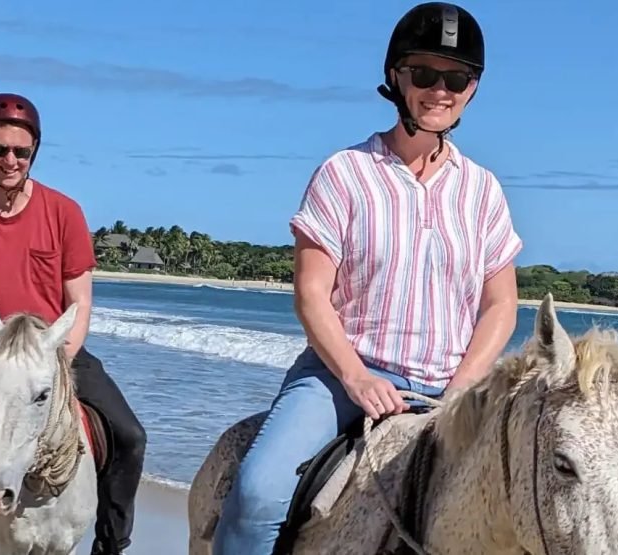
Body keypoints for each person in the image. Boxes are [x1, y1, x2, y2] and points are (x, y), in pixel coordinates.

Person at [212, 2, 522, 554]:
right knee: (257, 492)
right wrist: (356, 379)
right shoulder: (345, 173)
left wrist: (463, 388)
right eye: (424, 73)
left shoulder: (483, 190)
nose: (439, 90)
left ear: (472, 88)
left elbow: (500, 304)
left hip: (450, 385)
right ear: (396, 77)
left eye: (456, 78)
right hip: (343, 377)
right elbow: (311, 293)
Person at [0, 92, 146, 555]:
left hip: (55, 351)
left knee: (130, 436)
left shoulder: (65, 212)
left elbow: (79, 303)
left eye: (21, 151)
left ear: (34, 152)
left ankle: (110, 544)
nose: (10, 160)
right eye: (0, 150)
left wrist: (56, 361)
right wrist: (3, 362)